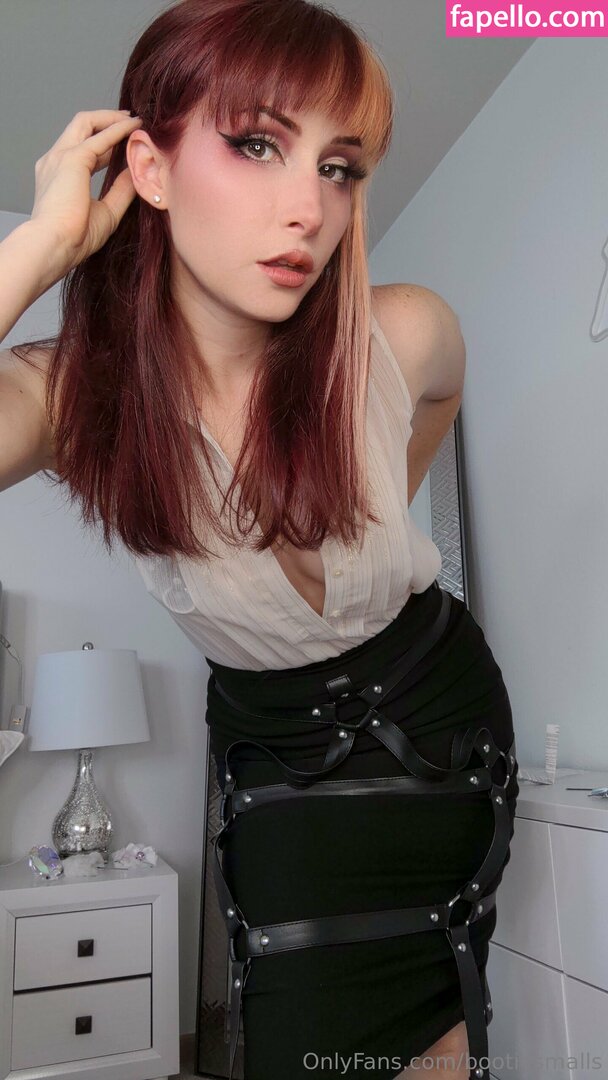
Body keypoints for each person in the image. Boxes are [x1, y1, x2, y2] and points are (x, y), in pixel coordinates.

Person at [0, 2, 519, 1078]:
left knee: (450, 1024)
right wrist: (41, 246)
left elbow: (441, 396)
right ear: (149, 167)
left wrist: (369, 506)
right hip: (279, 757)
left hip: (444, 716)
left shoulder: (403, 331)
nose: (309, 209)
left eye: (339, 167)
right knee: (300, 1038)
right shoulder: (73, 398)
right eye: (255, 145)